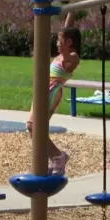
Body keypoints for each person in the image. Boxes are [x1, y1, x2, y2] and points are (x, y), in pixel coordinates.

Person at [27, 12, 80, 175]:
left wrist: (64, 50)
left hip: (52, 90)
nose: (57, 43)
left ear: (69, 42)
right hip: (43, 89)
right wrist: (71, 9)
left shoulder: (73, 57)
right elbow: (66, 28)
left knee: (34, 127)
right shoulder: (63, 53)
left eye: (60, 40)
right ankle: (53, 158)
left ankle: (57, 156)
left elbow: (70, 58)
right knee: (33, 127)